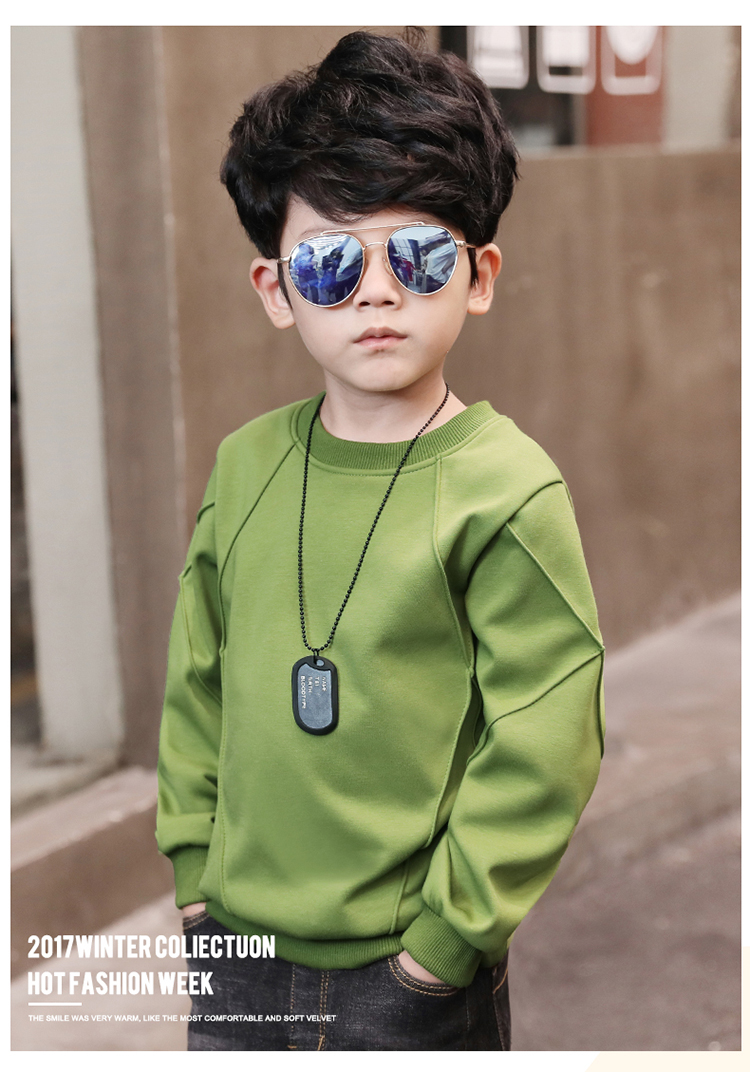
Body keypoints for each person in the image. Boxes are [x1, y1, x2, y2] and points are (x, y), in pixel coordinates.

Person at [156, 29, 605, 1052]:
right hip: (236, 951)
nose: (376, 291)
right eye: (327, 262)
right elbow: (197, 682)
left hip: (409, 979)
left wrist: (441, 948)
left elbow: (546, 736)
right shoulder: (244, 465)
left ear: (478, 275)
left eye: (418, 255)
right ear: (276, 290)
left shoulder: (506, 488)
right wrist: (195, 880)